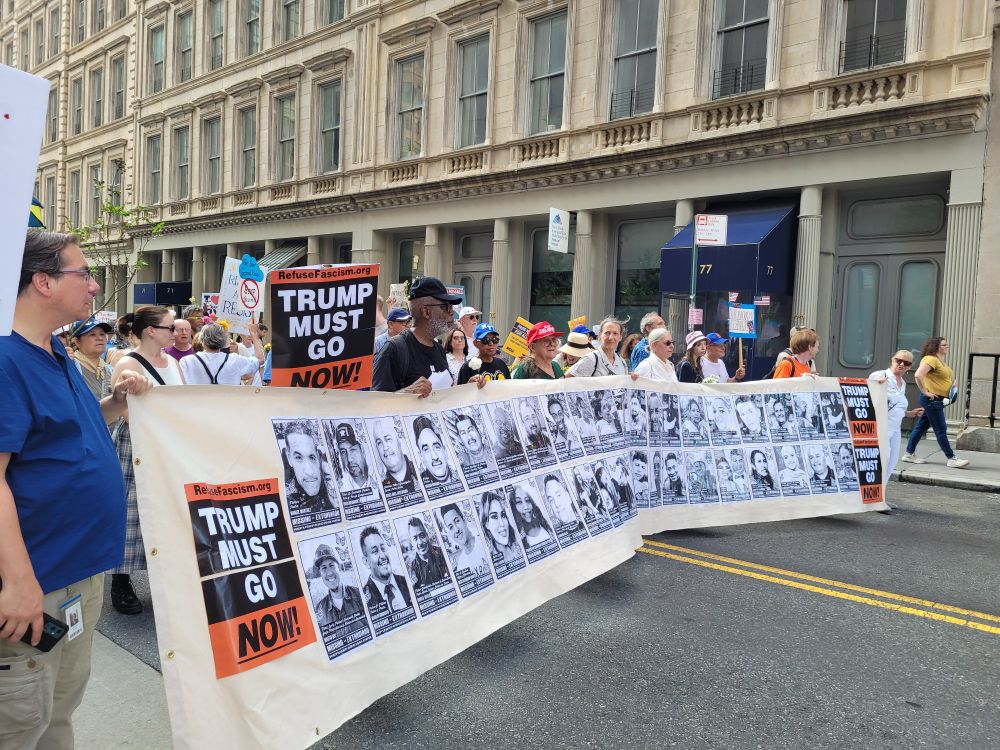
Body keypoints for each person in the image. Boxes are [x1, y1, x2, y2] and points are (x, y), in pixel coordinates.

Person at [1, 230, 151, 748]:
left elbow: (61, 438)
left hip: (77, 578)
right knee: (20, 721)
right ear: (42, 282)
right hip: (34, 587)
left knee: (57, 712)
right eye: (82, 274)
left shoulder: (56, 354)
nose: (93, 287)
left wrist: (114, 405)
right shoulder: (5, 359)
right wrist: (18, 584)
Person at [108, 306, 185, 614]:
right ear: (151, 330)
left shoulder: (173, 363)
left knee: (165, 510)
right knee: (129, 511)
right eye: (170, 328)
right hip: (136, 445)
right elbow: (124, 412)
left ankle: (166, 578)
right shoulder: (127, 362)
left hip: (168, 444)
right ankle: (120, 580)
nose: (177, 333)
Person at [372, 277, 462, 395]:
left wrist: (468, 389)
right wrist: (408, 392)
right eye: (446, 306)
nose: (451, 312)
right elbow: (375, 404)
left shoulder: (439, 349)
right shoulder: (394, 349)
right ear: (426, 311)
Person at [901, 336, 969, 468]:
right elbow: (918, 375)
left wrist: (952, 387)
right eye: (944, 345)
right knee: (941, 429)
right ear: (936, 346)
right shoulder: (930, 359)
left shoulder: (940, 361)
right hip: (932, 400)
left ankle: (909, 453)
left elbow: (941, 379)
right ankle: (951, 458)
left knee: (921, 427)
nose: (947, 346)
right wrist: (925, 392)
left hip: (938, 400)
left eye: (946, 344)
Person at [869, 350, 924, 477]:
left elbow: (896, 407)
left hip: (895, 429)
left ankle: (882, 493)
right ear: (892, 360)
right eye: (898, 360)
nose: (901, 364)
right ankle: (875, 493)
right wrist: (877, 385)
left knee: (891, 463)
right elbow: (868, 396)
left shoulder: (903, 383)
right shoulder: (879, 375)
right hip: (882, 426)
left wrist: (910, 413)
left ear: (910, 367)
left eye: (906, 363)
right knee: (883, 460)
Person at [282, 420, 338, 515]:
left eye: (312, 457)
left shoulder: (329, 473)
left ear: (317, 454)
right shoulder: (287, 497)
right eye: (298, 458)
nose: (309, 471)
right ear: (289, 457)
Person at [180, 321, 264, 385]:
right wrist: (253, 334)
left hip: (197, 406)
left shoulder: (187, 361)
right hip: (228, 406)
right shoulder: (234, 360)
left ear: (201, 340)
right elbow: (260, 360)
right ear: (224, 341)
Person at [359, 527, 412, 611]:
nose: (383, 556)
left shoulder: (407, 581)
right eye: (375, 551)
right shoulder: (362, 599)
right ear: (366, 562)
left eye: (383, 548)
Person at [312, 544, 364, 627]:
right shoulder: (319, 609)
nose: (329, 573)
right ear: (320, 573)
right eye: (324, 568)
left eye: (332, 565)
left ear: (339, 568)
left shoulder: (360, 594)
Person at [69, 316, 114, 403]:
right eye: (92, 334)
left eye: (102, 334)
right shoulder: (71, 366)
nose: (100, 338)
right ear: (77, 341)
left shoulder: (109, 370)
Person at [369, 417, 420, 492]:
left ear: (399, 441)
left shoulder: (421, 472)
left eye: (388, 439)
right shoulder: (378, 489)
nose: (385, 447)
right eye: (379, 443)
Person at [440, 504, 490, 576]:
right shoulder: (461, 565)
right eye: (451, 527)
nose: (456, 529)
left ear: (464, 520)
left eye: (457, 521)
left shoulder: (486, 543)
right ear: (450, 534)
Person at [412, 416, 460, 488]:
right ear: (421, 456)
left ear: (445, 451)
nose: (435, 457)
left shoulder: (462, 475)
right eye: (426, 450)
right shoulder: (418, 488)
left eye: (437, 447)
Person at [479, 491, 522, 564]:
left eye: (503, 515)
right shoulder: (489, 561)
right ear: (486, 524)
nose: (502, 524)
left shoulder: (517, 547)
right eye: (494, 517)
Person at [407, 516, 449, 587]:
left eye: (422, 536)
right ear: (411, 543)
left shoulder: (442, 553)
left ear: (427, 535)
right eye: (415, 538)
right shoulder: (412, 569)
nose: (420, 542)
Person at [334, 423, 375, 493]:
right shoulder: (341, 489)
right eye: (343, 452)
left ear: (362, 450)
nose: (349, 459)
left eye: (352, 450)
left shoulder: (379, 481)